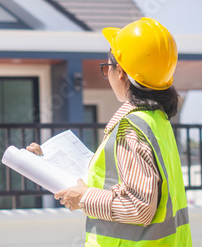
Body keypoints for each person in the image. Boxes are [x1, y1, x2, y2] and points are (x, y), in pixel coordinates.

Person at [27, 17, 192, 246]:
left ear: (121, 72)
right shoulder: (157, 121)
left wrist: (84, 197)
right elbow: (113, 181)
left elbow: (139, 208)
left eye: (107, 68)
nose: (109, 75)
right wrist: (49, 165)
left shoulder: (130, 129)